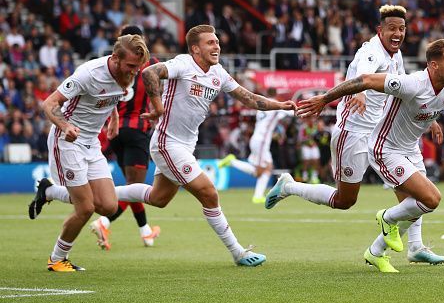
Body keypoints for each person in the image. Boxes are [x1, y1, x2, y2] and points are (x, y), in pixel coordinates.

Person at [35, 25, 296, 266]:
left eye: (217, 42)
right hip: (167, 144)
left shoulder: (218, 73)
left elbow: (248, 98)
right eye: (210, 43)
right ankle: (239, 252)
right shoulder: (182, 64)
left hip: (183, 144)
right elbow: (151, 72)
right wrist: (158, 106)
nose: (216, 46)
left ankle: (52, 192)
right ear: (195, 48)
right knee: (208, 192)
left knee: (156, 199)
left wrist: (280, 105)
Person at [296, 39, 444, 272]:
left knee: (413, 206)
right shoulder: (411, 83)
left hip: (410, 148)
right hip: (386, 149)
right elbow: (365, 80)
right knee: (430, 199)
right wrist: (324, 98)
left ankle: (380, 251)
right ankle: (387, 218)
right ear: (434, 66)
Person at [265, 5, 444, 267]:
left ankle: (416, 246)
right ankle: (289, 186)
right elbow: (363, 74)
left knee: (410, 188)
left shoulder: (396, 56)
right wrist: (359, 92)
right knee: (345, 200)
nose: (398, 34)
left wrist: (430, 118)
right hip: (354, 132)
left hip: (381, 134)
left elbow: (406, 89)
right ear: (379, 30)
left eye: (402, 29)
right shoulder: (371, 51)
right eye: (392, 28)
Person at [28, 35, 150, 271]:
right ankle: (57, 260)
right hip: (67, 140)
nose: (134, 72)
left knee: (108, 205)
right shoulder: (89, 73)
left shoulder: (127, 73)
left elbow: (111, 96)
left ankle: (49, 191)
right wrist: (65, 126)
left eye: (138, 67)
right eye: (131, 66)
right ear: (115, 59)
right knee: (85, 208)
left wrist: (113, 117)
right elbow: (49, 104)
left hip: (91, 143)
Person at [90, 25, 161, 250]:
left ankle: (146, 233)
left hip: (115, 130)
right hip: (137, 130)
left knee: (132, 187)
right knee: (136, 186)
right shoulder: (150, 63)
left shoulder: (115, 63)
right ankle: (103, 222)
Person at [218, 87, 292, 204]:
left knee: (268, 168)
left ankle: (258, 196)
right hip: (262, 141)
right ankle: (232, 162)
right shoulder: (276, 105)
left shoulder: (263, 104)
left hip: (257, 139)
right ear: (276, 95)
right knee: (260, 171)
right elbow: (291, 112)